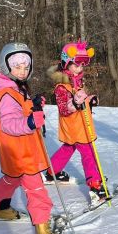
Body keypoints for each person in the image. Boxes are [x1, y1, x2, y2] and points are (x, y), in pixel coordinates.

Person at [0, 42, 57, 234]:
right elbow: (9, 123)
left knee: (10, 179)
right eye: (17, 67)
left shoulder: (14, 87)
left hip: (14, 153)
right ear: (6, 68)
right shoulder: (7, 92)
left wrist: (32, 104)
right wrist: (31, 123)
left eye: (26, 67)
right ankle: (43, 232)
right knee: (36, 190)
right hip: (23, 152)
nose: (22, 71)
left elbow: (20, 109)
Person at [46, 41, 107, 202]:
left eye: (82, 66)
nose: (79, 69)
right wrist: (75, 104)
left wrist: (90, 100)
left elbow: (81, 99)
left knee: (68, 148)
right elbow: (63, 108)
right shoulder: (61, 86)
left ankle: (52, 171)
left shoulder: (77, 81)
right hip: (74, 126)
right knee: (88, 152)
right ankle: (94, 184)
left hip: (80, 125)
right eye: (76, 65)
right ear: (67, 63)